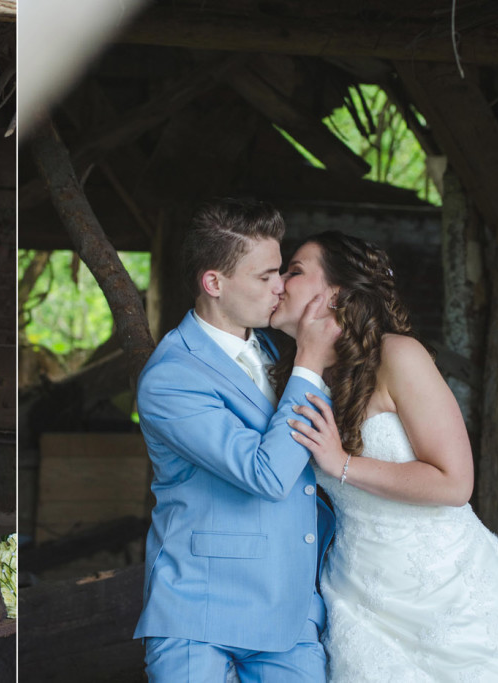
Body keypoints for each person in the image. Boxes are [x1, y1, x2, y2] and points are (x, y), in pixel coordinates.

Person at [271, 230, 498, 681]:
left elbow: (455, 483)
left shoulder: (397, 355)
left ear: (336, 293)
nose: (278, 281)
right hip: (357, 592)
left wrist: (340, 463)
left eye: (294, 271)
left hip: (447, 586)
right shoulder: (297, 377)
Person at [134, 198, 340, 681]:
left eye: (281, 273)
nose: (280, 288)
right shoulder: (169, 377)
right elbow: (265, 475)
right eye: (264, 277)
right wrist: (310, 360)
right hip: (199, 615)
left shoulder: (274, 348)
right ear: (214, 283)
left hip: (291, 617)